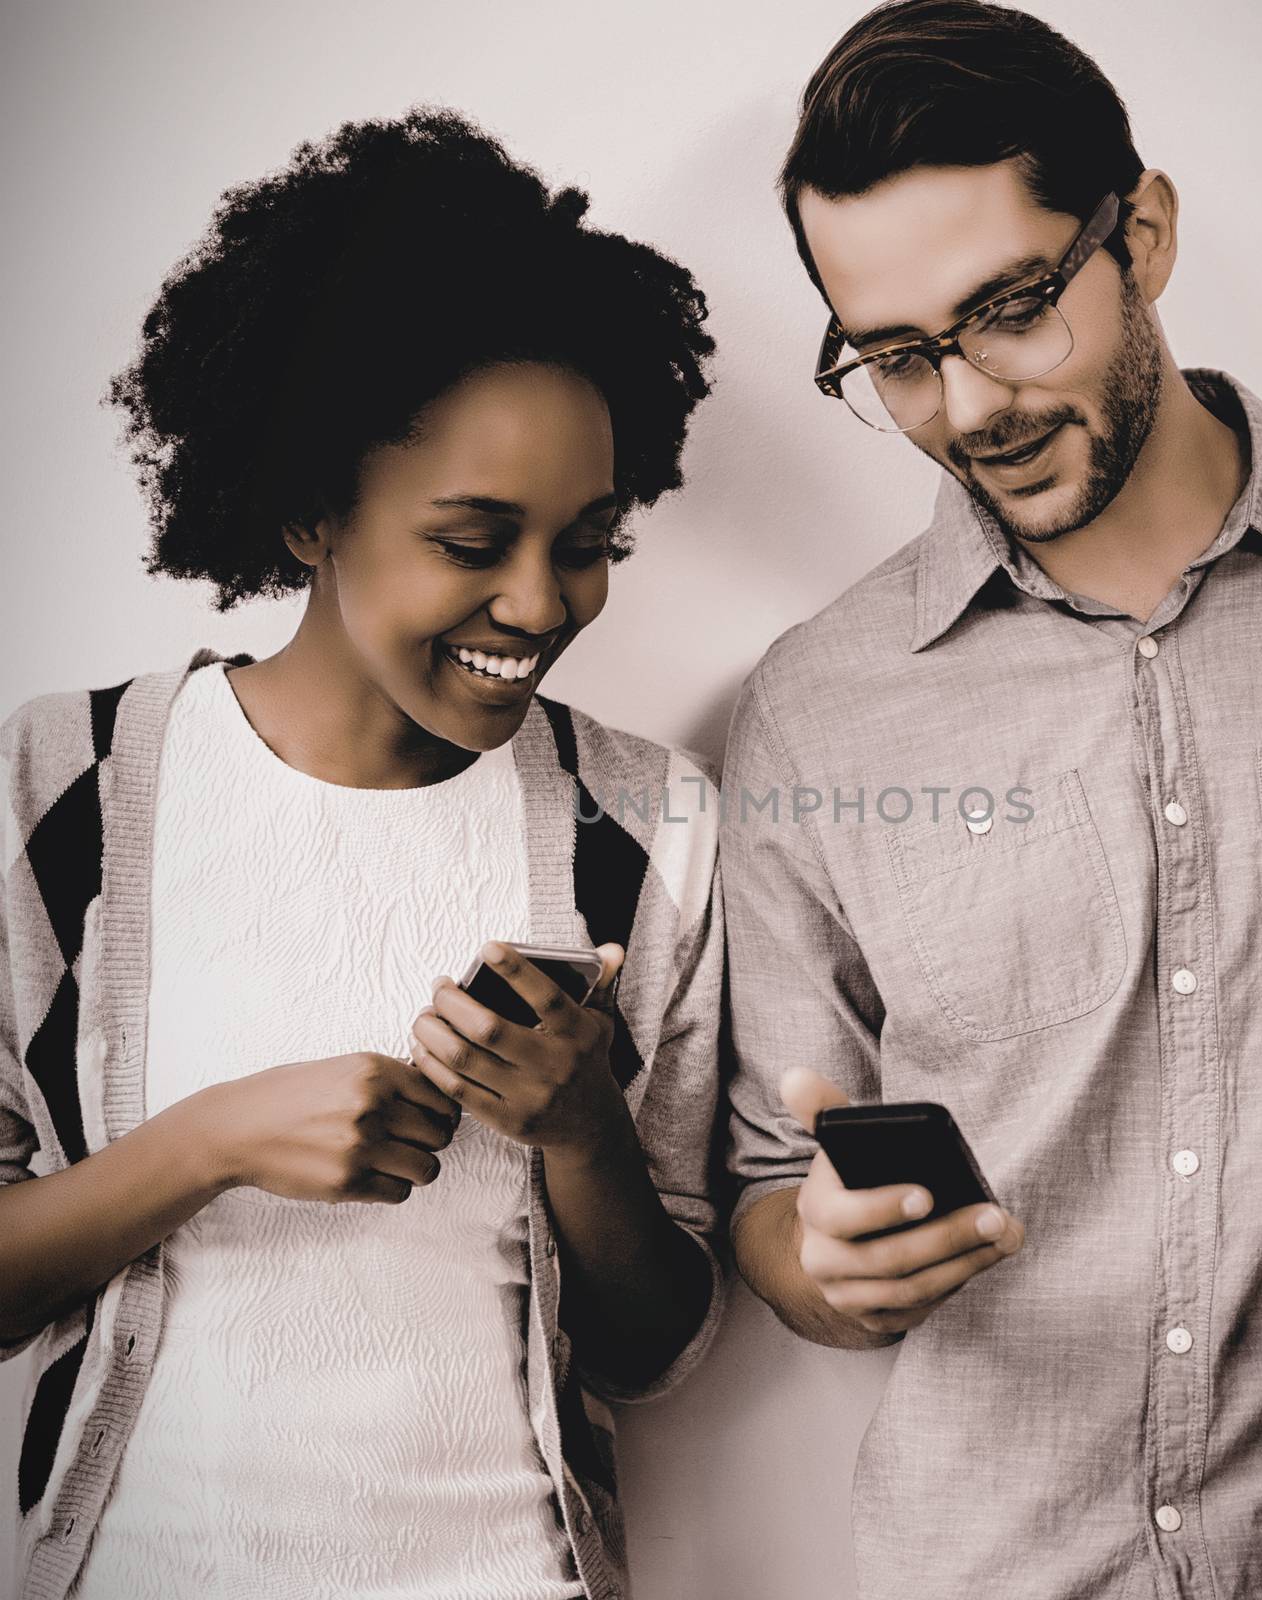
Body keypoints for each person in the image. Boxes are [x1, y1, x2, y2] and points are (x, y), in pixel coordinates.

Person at [722, 4, 1262, 1597]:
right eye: (900, 357)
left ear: (1146, 235)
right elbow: (770, 1204)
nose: (972, 406)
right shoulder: (812, 700)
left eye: (1012, 309)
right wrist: (825, 1272)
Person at [0, 109, 722, 1600]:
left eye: (587, 539)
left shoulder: (647, 830)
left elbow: (656, 1353)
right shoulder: (52, 791)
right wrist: (205, 1146)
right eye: (473, 540)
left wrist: (583, 1134)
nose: (541, 603)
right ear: (308, 509)